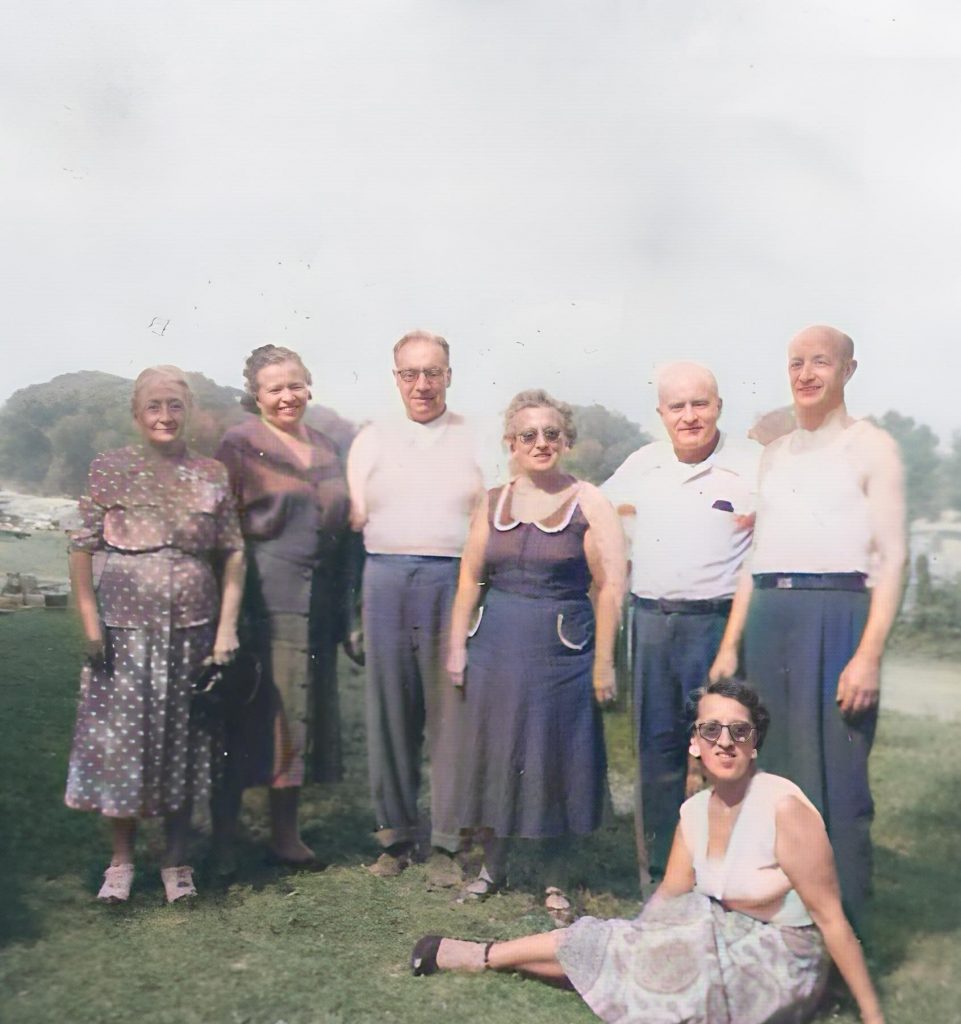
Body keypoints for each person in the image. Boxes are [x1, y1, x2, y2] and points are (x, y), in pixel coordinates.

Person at [410, 679, 886, 1024]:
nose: (725, 741)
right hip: (721, 936)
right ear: (695, 743)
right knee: (618, 945)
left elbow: (831, 921)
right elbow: (668, 901)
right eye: (711, 730)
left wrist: (872, 1016)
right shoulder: (694, 812)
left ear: (755, 743)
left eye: (739, 731)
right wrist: (630, 946)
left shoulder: (784, 807)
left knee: (680, 980)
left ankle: (502, 959)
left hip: (784, 960)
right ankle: (475, 954)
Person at [709, 325, 907, 934]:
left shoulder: (872, 447)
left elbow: (893, 559)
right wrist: (729, 647)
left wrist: (868, 654)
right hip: (771, 616)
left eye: (820, 362)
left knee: (836, 783)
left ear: (849, 369)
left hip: (838, 616)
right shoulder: (774, 453)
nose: (806, 374)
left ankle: (839, 937)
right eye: (795, 362)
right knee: (768, 774)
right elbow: (757, 559)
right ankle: (772, 924)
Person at [66, 366, 245, 903]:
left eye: (175, 406)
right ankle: (120, 863)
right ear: (136, 414)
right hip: (124, 633)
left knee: (181, 745)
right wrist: (90, 622)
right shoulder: (109, 469)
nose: (165, 416)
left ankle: (176, 861)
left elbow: (233, 552)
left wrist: (226, 630)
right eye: (154, 406)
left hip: (191, 632)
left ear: (188, 412)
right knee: (122, 745)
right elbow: (81, 547)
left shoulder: (211, 474)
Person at [445, 389, 626, 920]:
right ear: (511, 443)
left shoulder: (588, 500)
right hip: (496, 645)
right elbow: (469, 578)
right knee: (498, 753)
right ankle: (492, 868)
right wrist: (457, 647)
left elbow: (611, 586)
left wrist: (604, 662)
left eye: (552, 433)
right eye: (529, 435)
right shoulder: (494, 499)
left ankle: (555, 879)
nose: (541, 443)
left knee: (554, 759)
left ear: (565, 440)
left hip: (560, 650)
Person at [601, 362, 759, 883]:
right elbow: (595, 516)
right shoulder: (642, 465)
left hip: (714, 625)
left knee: (725, 749)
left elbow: (763, 556)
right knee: (657, 752)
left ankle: (727, 872)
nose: (689, 416)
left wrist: (731, 641)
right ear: (661, 413)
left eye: (700, 404)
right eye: (677, 406)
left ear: (718, 406)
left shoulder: (752, 465)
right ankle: (660, 876)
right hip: (650, 623)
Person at [347, 330, 484, 877]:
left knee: (451, 710)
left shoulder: (476, 436)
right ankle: (395, 838)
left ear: (449, 375)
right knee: (389, 711)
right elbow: (355, 517)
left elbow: (491, 513)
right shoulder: (372, 437)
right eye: (410, 374)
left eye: (432, 373)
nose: (421, 385)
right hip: (384, 576)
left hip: (451, 577)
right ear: (395, 377)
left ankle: (449, 842)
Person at [214, 345, 357, 868]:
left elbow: (344, 530)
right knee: (246, 715)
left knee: (297, 717)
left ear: (309, 385)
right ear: (256, 396)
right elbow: (221, 527)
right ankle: (224, 839)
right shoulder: (238, 443)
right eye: (275, 388)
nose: (287, 397)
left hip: (316, 602)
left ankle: (285, 834)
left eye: (295, 385)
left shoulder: (325, 446)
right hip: (260, 600)